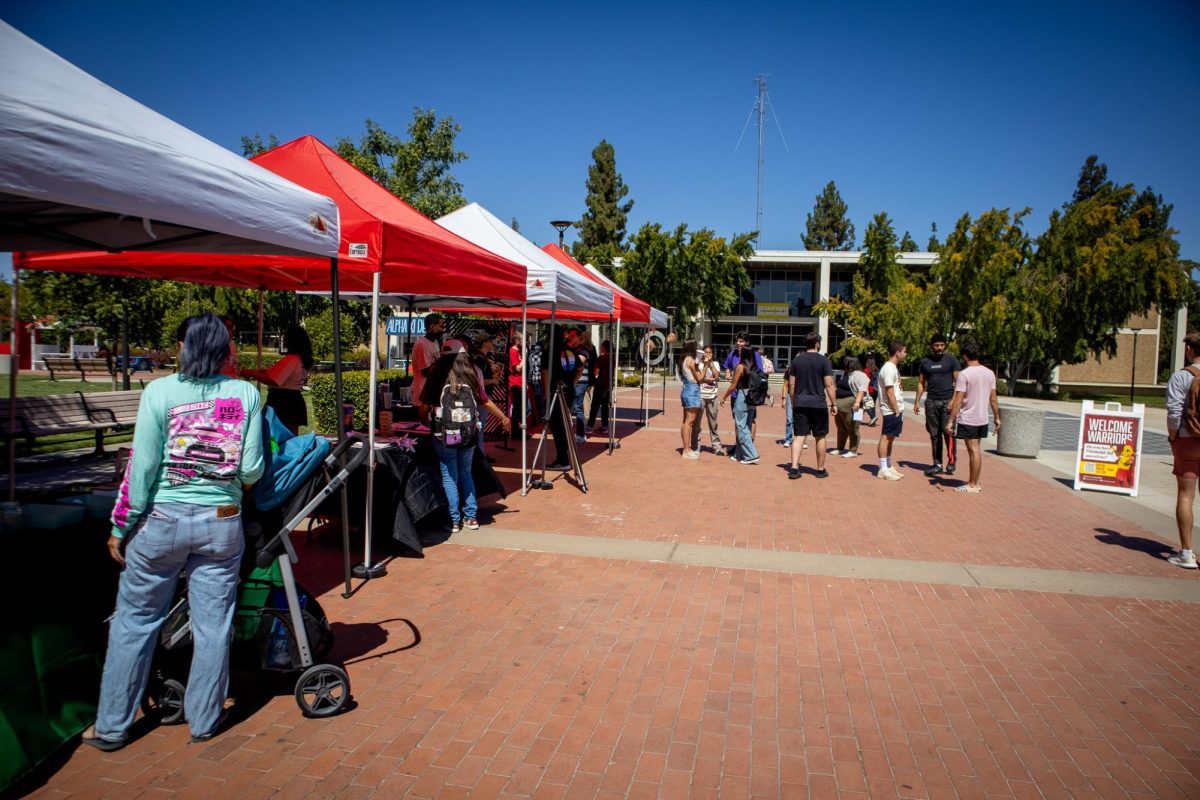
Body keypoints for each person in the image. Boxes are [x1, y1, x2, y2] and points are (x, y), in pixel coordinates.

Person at [83, 313, 264, 750]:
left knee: (136, 622)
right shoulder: (246, 394)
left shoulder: (159, 392)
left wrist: (120, 525)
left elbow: (142, 467)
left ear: (184, 346)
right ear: (224, 349)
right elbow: (252, 468)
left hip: (161, 522)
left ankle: (111, 726)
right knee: (213, 626)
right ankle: (204, 720)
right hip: (222, 522)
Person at [420, 338, 510, 533]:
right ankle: (471, 517)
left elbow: (424, 407)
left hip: (444, 434)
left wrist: (424, 422)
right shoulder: (471, 375)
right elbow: (485, 401)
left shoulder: (437, 377)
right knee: (466, 473)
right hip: (468, 434)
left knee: (449, 476)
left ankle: (453, 520)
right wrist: (503, 417)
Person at [945, 339, 1000, 494]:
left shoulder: (964, 374)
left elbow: (958, 400)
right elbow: (994, 398)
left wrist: (950, 421)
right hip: (982, 418)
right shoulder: (989, 373)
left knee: (973, 450)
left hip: (969, 417)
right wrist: (997, 417)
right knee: (976, 449)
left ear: (965, 356)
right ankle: (974, 481)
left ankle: (973, 484)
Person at [1165, 331, 1200, 569]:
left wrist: (1173, 437)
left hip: (1189, 440)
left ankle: (1187, 553)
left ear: (1189, 350)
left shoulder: (1181, 377)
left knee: (1186, 495)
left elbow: (1174, 413)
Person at [240, 324, 314, 435]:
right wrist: (263, 371)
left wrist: (252, 373)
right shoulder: (300, 359)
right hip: (294, 400)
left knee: (274, 437)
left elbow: (274, 380)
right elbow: (284, 375)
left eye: (285, 336)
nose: (283, 339)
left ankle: (276, 453)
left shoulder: (291, 359)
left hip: (282, 402)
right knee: (290, 438)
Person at [787, 332, 837, 480]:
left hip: (801, 403)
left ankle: (794, 468)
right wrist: (833, 403)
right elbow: (828, 384)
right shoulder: (824, 361)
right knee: (820, 436)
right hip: (818, 404)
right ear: (817, 344)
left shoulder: (796, 361)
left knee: (799, 436)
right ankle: (820, 470)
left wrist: (793, 400)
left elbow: (792, 384)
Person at [913, 333, 961, 476]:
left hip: (947, 402)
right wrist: (917, 401)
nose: (939, 348)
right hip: (931, 402)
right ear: (931, 346)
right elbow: (921, 383)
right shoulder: (925, 362)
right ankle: (937, 463)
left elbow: (959, 382)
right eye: (936, 345)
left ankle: (951, 462)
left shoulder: (951, 360)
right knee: (934, 434)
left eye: (941, 345)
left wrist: (953, 400)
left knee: (948, 432)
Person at [542, 327, 583, 471]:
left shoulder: (550, 350)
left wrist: (547, 393)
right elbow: (580, 367)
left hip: (555, 392)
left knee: (557, 426)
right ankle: (564, 456)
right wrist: (572, 383)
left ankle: (562, 459)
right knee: (563, 425)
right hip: (568, 392)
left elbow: (545, 372)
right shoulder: (568, 350)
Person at [720, 346, 760, 465]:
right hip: (752, 398)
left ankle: (752, 455)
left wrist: (723, 397)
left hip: (742, 397)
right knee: (746, 426)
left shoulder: (740, 367)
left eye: (741, 352)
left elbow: (733, 386)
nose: (739, 353)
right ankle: (739, 454)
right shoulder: (753, 367)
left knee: (741, 427)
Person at [723, 332, 763, 446]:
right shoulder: (733, 354)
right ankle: (739, 445)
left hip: (749, 393)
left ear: (747, 342)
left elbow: (759, 373)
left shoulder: (754, 355)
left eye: (741, 341)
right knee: (737, 420)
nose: (738, 343)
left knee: (751, 419)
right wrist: (728, 373)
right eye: (737, 341)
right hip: (735, 393)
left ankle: (750, 444)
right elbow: (727, 367)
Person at [876, 340, 908, 480]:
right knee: (886, 437)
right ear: (898, 352)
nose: (906, 355)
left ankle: (888, 465)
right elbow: (889, 391)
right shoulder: (889, 368)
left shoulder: (893, 367)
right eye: (904, 352)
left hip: (896, 409)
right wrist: (896, 410)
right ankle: (883, 468)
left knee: (891, 438)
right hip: (891, 409)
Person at [471, 331, 502, 458]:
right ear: (484, 343)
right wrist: (494, 381)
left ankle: (479, 452)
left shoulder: (482, 357)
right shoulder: (479, 359)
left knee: (479, 426)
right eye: (490, 341)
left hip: (483, 395)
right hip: (481, 397)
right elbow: (479, 380)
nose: (492, 343)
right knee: (479, 426)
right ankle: (479, 454)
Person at [409, 313, 445, 415]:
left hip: (432, 392)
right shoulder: (421, 344)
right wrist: (442, 360)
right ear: (432, 326)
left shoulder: (435, 342)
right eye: (441, 326)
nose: (443, 329)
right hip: (422, 394)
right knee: (423, 427)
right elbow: (425, 372)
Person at [833, 356, 868, 458]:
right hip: (840, 407)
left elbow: (862, 389)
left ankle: (853, 450)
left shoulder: (859, 375)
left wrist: (857, 402)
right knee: (841, 428)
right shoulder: (846, 374)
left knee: (853, 428)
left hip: (853, 406)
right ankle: (840, 448)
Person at [695, 345, 726, 456]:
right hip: (701, 396)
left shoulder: (716, 363)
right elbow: (700, 379)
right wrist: (706, 367)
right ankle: (696, 446)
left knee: (713, 423)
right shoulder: (699, 364)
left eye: (710, 352)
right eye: (706, 352)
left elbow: (716, 375)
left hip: (713, 397)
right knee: (697, 423)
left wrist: (710, 364)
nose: (707, 354)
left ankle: (716, 447)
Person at [677, 339, 703, 459]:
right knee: (690, 421)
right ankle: (686, 450)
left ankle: (685, 448)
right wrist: (706, 365)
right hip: (692, 390)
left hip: (686, 389)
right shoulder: (691, 360)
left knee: (685, 421)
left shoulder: (683, 359)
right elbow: (699, 378)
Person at [572, 329, 594, 442]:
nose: (571, 338)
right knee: (577, 407)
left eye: (573, 336)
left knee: (577, 407)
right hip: (580, 381)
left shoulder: (583, 350)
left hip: (580, 381)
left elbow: (578, 364)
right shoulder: (580, 349)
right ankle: (580, 433)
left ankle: (581, 434)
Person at [588, 339, 614, 434]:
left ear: (604, 348)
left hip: (600, 384)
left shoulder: (601, 358)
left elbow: (596, 371)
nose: (600, 348)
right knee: (605, 406)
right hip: (609, 384)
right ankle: (604, 426)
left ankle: (590, 426)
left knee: (595, 406)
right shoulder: (613, 358)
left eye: (601, 346)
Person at [508, 330, 528, 441]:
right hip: (515, 383)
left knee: (522, 408)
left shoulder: (519, 351)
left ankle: (519, 430)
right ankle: (515, 432)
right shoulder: (513, 351)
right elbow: (517, 368)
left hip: (521, 382)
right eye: (522, 340)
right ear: (517, 341)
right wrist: (524, 357)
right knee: (517, 408)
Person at [863, 356, 880, 426]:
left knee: (866, 404)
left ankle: (872, 417)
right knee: (873, 405)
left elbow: (864, 380)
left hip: (868, 389)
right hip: (875, 390)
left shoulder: (866, 370)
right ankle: (873, 420)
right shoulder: (876, 369)